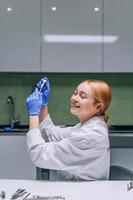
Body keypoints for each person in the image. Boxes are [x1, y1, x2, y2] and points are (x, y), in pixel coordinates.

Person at [26, 77, 112, 181]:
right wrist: (43, 105)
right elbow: (51, 135)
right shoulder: (85, 127)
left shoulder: (90, 135)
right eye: (75, 93)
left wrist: (33, 114)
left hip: (86, 194)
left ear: (98, 107)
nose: (74, 98)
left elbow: (38, 154)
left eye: (82, 96)